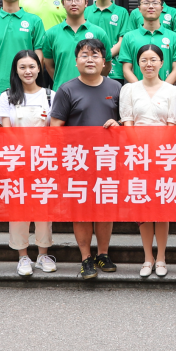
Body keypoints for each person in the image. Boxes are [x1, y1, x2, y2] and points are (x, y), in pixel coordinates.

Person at [48, 38, 122, 280]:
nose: (90, 59)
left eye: (95, 55)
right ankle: (85, 258)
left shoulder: (116, 88)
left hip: (107, 160)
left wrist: (118, 124)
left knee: (105, 210)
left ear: (104, 61)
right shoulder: (67, 89)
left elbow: (125, 122)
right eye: (84, 55)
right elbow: (55, 128)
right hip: (77, 161)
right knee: (81, 211)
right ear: (76, 61)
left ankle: (103, 254)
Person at [120, 44, 176, 279]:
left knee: (162, 207)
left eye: (153, 59)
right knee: (143, 208)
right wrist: (141, 151)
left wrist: (158, 153)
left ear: (161, 63)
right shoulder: (129, 89)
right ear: (138, 63)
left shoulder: (173, 91)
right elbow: (127, 121)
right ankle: (148, 257)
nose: (149, 64)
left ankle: (162, 257)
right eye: (144, 60)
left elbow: (173, 124)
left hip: (165, 156)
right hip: (137, 156)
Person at [0, 49, 57, 277]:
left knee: (44, 211)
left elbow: (55, 131)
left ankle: (43, 254)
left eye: (32, 66)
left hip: (43, 161)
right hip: (17, 161)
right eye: (22, 67)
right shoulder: (7, 96)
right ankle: (22, 256)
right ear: (16, 70)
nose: (27, 71)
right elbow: (6, 131)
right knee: (18, 210)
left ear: (39, 69)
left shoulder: (50, 96)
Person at [41, 0, 100, 90]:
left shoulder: (98, 33)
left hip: (92, 91)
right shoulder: (51, 34)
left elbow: (105, 64)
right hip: (61, 91)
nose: (73, 3)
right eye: (69, 0)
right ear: (63, 3)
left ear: (86, 3)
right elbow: (49, 66)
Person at [118, 0, 176, 84]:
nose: (151, 6)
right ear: (139, 9)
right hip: (138, 91)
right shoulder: (129, 37)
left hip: (167, 90)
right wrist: (140, 89)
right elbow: (126, 70)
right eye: (146, 3)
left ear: (161, 8)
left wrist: (163, 89)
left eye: (155, 3)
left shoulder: (174, 37)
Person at [84, 0, 128, 83]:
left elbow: (122, 40)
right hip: (88, 65)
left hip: (115, 69)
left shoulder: (122, 12)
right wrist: (95, 58)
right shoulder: (85, 11)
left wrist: (104, 56)